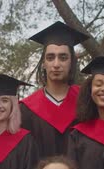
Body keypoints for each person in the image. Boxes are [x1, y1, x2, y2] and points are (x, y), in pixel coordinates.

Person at [20, 21, 89, 159]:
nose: (56, 64)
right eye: (50, 58)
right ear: (44, 63)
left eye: (63, 57)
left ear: (72, 62)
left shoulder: (86, 101)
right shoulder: (26, 109)